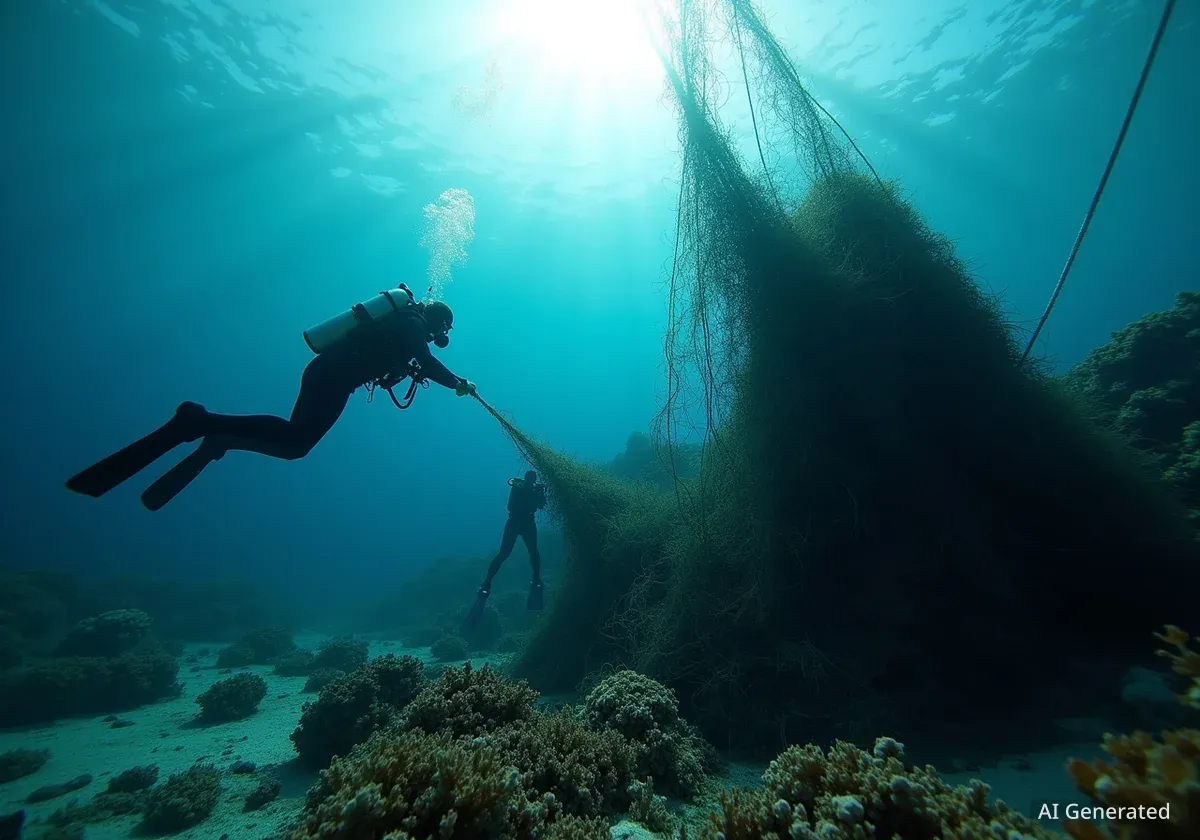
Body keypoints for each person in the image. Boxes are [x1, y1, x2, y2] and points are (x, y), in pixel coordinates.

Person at [66, 284, 476, 509]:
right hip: (334, 376)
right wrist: (457, 382)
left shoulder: (403, 323)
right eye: (445, 330)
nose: (442, 337)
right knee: (296, 439)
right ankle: (200, 421)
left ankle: (219, 436)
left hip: (330, 374)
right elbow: (426, 359)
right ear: (437, 321)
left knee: (294, 444)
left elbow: (414, 362)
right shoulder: (412, 322)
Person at [469, 471, 547, 622]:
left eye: (533, 479)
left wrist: (541, 493)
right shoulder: (517, 486)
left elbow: (541, 505)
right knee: (504, 553)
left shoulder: (535, 490)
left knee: (532, 551)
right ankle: (488, 581)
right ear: (526, 478)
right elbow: (511, 505)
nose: (531, 481)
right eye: (529, 479)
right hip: (515, 521)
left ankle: (536, 577)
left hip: (526, 522)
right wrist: (532, 495)